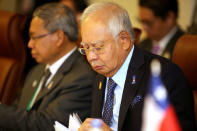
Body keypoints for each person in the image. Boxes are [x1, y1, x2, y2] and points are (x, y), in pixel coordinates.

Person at [77, 2, 196, 131]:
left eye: (98, 47)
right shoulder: (101, 76)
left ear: (124, 41)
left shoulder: (163, 76)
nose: (90, 57)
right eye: (86, 48)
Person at [0, 3, 96, 131]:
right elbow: (18, 113)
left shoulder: (82, 77)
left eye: (35, 37)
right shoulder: (37, 70)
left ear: (59, 37)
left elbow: (49, 125)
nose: (29, 44)